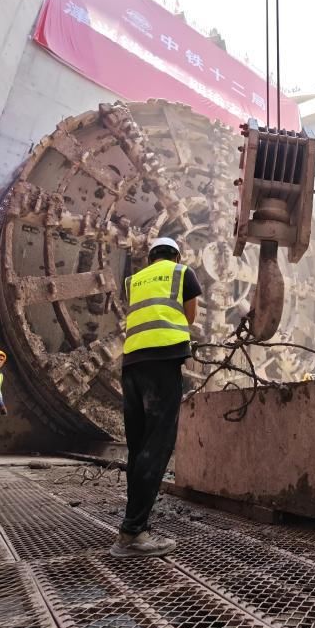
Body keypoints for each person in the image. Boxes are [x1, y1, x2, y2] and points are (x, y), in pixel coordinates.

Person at [110, 237, 201, 558]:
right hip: (162, 362)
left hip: (132, 363)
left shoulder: (133, 281)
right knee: (158, 444)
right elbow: (189, 317)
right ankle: (132, 533)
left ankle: (132, 525)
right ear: (176, 254)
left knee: (137, 447)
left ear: (150, 258)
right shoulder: (182, 273)